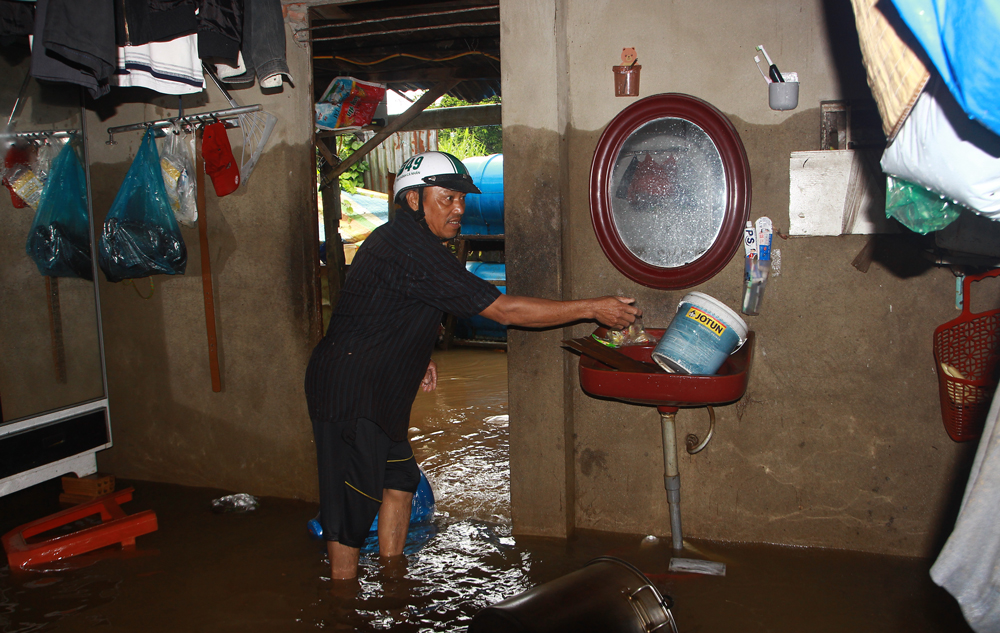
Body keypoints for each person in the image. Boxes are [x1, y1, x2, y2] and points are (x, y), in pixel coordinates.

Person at [305, 151, 640, 581]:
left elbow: (379, 310)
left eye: (462, 198)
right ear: (412, 200)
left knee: (401, 482)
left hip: (377, 388)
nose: (460, 208)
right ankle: (342, 603)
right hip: (351, 392)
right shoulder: (409, 247)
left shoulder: (407, 244)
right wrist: (593, 308)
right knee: (350, 509)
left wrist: (415, 354)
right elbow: (503, 311)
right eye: (448, 198)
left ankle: (393, 576)